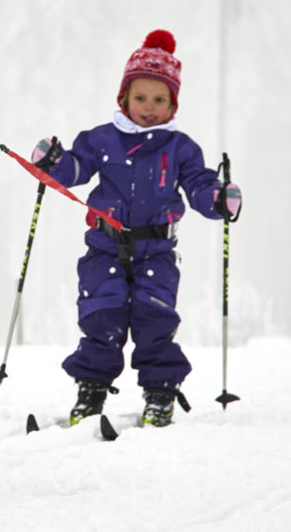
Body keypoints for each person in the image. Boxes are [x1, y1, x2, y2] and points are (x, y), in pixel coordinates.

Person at [31, 30, 242, 427]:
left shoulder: (180, 148)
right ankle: (90, 392)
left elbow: (199, 186)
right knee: (100, 317)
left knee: (155, 320)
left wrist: (218, 198)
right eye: (140, 97)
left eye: (159, 100)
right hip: (104, 249)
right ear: (124, 97)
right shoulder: (101, 139)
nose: (149, 108)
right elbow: (74, 169)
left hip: (157, 253)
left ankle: (160, 394)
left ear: (172, 103)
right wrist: (52, 163)